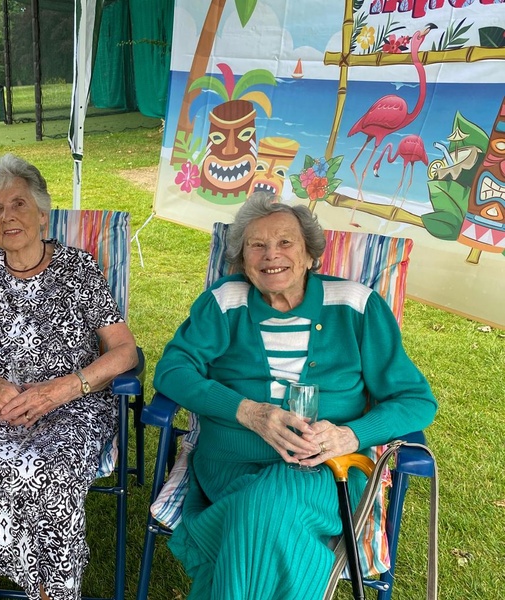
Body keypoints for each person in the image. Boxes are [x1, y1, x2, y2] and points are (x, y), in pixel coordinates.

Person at [153, 192, 437, 599]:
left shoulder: (356, 305)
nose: (272, 255)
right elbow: (173, 371)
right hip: (232, 462)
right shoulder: (224, 301)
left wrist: (349, 436)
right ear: (242, 258)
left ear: (308, 254)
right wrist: (248, 412)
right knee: (264, 517)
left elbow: (416, 400)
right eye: (257, 245)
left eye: (285, 242)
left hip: (327, 468)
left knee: (257, 516)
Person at [0, 153, 138, 600]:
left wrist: (65, 387)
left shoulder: (79, 269)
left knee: (48, 474)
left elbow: (125, 350)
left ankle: (48, 592)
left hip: (70, 409)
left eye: (18, 204)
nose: (7, 217)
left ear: (42, 213)